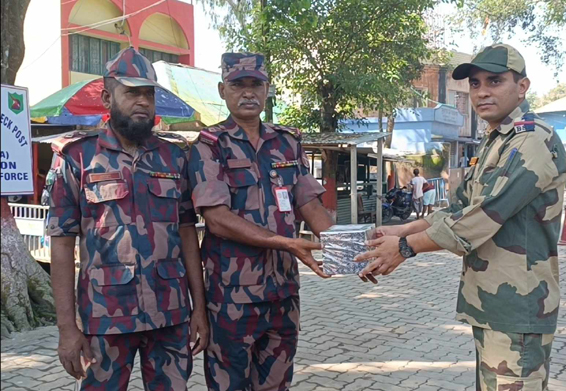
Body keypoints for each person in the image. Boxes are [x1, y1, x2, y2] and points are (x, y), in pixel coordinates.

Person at [355, 44, 566, 391]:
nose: (482, 92)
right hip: (492, 302)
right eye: (474, 84)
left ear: (523, 86)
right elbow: (458, 207)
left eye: (495, 81)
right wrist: (400, 229)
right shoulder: (495, 141)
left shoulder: (532, 140)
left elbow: (481, 218)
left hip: (519, 304)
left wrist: (405, 247)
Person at [187, 52, 361, 391]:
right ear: (223, 90)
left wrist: (356, 252)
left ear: (268, 90)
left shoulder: (287, 142)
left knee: (276, 384)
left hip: (283, 293)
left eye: (257, 84)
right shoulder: (209, 146)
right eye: (238, 85)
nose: (248, 93)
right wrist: (287, 243)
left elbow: (308, 203)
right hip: (231, 296)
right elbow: (218, 220)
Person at [46, 47, 208, 390]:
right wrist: (66, 328)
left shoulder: (174, 157)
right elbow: (61, 244)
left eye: (148, 94)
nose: (143, 102)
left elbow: (187, 233)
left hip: (170, 314)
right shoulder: (77, 158)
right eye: (132, 92)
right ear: (107, 97)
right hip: (105, 318)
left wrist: (200, 309)